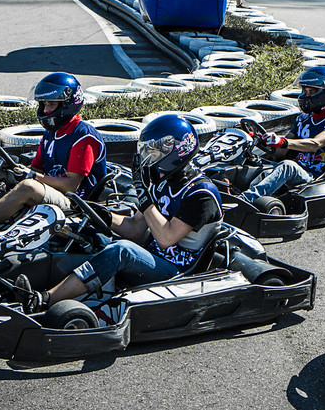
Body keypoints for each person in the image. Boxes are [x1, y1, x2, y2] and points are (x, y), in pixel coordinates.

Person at [15, 114, 223, 311]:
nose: (149, 159)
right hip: (153, 254)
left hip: (178, 269)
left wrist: (144, 197)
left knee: (121, 250)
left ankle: (44, 299)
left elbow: (165, 238)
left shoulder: (201, 194)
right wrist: (100, 215)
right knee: (90, 236)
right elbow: (134, 229)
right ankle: (24, 270)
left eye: (155, 152)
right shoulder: (164, 183)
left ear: (177, 149)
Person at [0, 72, 106, 241]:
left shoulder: (83, 137)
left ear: (67, 104)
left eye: (51, 104)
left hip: (77, 204)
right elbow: (35, 169)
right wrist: (12, 169)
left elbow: (70, 186)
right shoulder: (51, 134)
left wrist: (33, 176)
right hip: (52, 190)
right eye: (43, 104)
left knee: (28, 186)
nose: (46, 110)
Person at [239, 67, 325, 204]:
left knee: (288, 166)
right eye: (304, 91)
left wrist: (283, 141)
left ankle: (247, 200)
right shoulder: (302, 119)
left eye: (311, 92)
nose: (305, 95)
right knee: (255, 162)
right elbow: (282, 150)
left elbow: (315, 144)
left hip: (313, 175)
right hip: (295, 168)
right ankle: (232, 189)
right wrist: (262, 140)